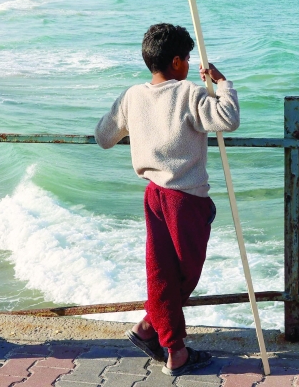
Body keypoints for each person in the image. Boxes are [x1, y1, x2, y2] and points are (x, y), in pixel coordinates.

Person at [95, 23, 240, 376]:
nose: (189, 64)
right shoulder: (189, 92)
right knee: (184, 274)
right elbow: (228, 118)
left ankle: (153, 330)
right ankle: (172, 348)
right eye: (187, 58)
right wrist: (223, 84)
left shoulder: (133, 96)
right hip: (185, 197)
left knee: (162, 271)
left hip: (153, 194)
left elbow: (103, 136)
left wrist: (140, 127)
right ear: (176, 61)